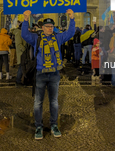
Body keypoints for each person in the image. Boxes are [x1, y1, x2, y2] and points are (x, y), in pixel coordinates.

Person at [21, 9, 75, 140]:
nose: (50, 28)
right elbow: (24, 35)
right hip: (40, 74)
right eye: (48, 26)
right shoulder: (36, 38)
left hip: (55, 74)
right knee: (38, 102)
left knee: (54, 102)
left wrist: (72, 19)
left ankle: (54, 125)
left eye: (52, 26)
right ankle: (38, 126)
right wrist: (26, 20)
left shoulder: (58, 37)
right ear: (43, 28)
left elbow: (70, 33)